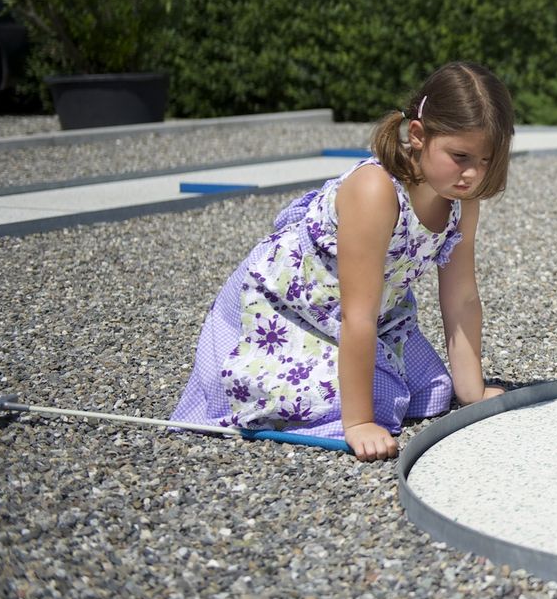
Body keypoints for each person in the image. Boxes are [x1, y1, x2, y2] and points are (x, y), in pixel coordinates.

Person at [171, 61, 514, 462]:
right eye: (460, 156)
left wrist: (471, 391)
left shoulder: (461, 200)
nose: (473, 174)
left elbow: (462, 299)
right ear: (418, 136)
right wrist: (359, 423)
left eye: (486, 160)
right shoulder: (376, 191)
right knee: (373, 406)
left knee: (435, 391)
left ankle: (362, 393)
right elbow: (357, 315)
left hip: (369, 314)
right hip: (290, 311)